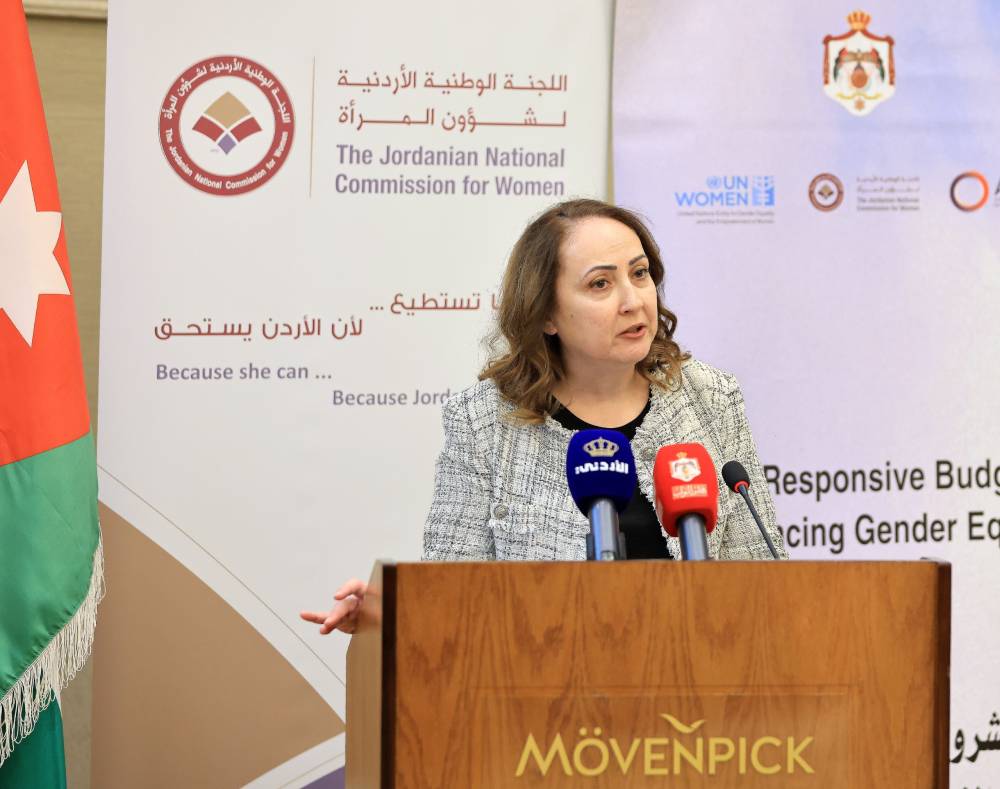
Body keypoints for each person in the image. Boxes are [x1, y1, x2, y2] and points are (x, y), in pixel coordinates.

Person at [300, 198, 787, 636]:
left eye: (639, 274)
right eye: (600, 283)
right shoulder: (484, 422)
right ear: (547, 314)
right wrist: (388, 613)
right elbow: (451, 586)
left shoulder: (710, 397)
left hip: (698, 677)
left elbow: (763, 571)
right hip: (545, 685)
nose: (634, 300)